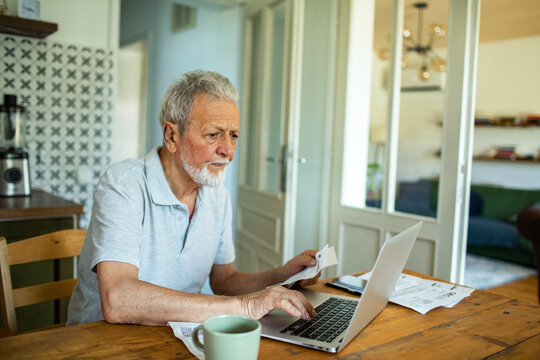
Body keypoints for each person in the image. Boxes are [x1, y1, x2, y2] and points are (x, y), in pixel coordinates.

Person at [67, 70, 319, 326]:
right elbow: (118, 300)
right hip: (103, 341)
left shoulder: (216, 195)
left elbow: (224, 280)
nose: (228, 150)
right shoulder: (123, 185)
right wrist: (245, 305)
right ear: (171, 136)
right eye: (213, 135)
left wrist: (282, 275)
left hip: (177, 336)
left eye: (233, 135)